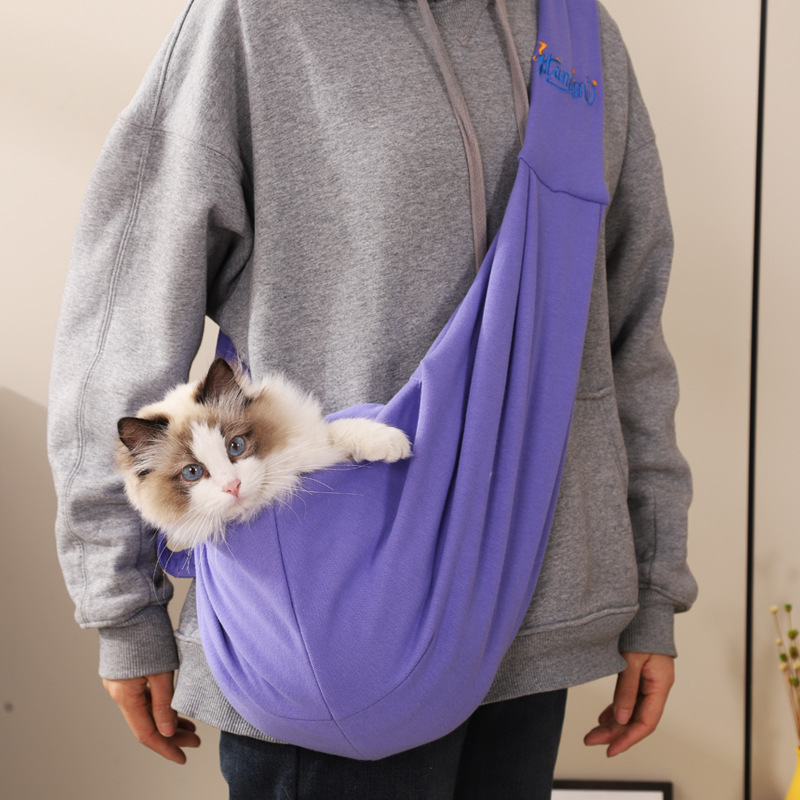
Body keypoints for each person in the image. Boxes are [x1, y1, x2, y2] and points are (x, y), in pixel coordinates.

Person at [48, 0, 697, 797]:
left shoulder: (573, 31)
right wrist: (121, 606)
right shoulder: (254, 23)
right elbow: (123, 318)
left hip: (532, 613)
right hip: (329, 623)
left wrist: (656, 587)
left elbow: (629, 332)